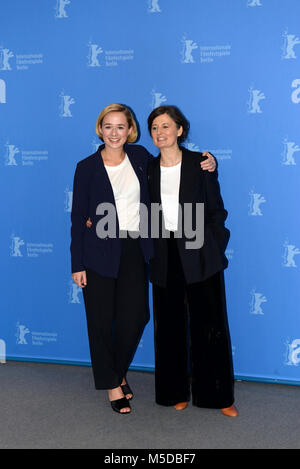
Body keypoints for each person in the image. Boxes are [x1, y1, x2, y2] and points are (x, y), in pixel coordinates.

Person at [71, 103, 216, 414]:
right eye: (107, 126)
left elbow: (172, 167)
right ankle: (113, 386)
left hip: (136, 248)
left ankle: (116, 372)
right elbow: (78, 218)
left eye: (120, 127)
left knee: (136, 316)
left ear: (130, 130)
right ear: (100, 129)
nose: (114, 133)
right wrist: (77, 263)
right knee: (99, 321)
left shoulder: (140, 159)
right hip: (98, 252)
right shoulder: (86, 167)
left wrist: (207, 162)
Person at [147, 105, 238, 417]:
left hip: (200, 249)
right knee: (169, 326)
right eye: (155, 128)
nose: (160, 133)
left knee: (210, 324)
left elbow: (216, 209)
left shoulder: (201, 162)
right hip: (164, 253)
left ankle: (219, 396)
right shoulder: (148, 168)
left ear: (179, 130)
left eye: (166, 127)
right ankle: (175, 391)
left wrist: (214, 246)